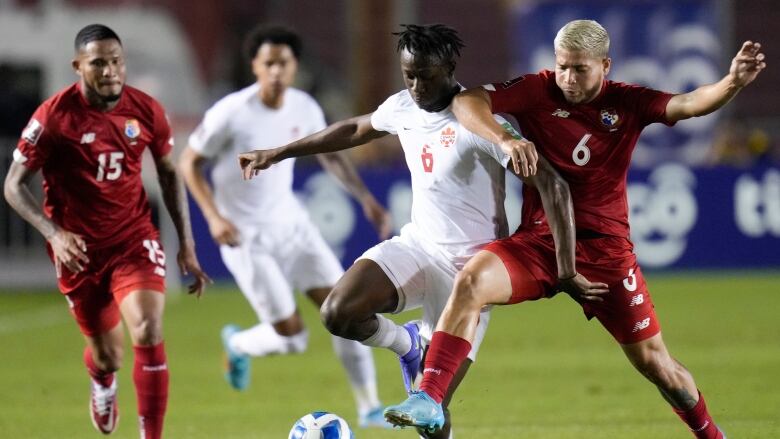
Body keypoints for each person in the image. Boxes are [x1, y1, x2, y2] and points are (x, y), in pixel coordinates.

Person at [384, 19, 766, 439]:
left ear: (605, 65)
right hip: (539, 243)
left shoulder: (628, 102)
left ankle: (712, 435)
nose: (567, 78)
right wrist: (506, 139)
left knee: (656, 364)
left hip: (605, 255)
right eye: (562, 66)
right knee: (471, 279)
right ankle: (428, 397)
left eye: (579, 69)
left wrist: (731, 83)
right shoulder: (538, 89)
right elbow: (468, 102)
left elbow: (689, 102)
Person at [239, 24, 598, 439]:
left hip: (469, 273)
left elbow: (552, 185)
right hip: (418, 246)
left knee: (431, 413)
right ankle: (407, 344)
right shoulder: (403, 108)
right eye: (408, 74)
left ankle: (424, 371)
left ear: (448, 68)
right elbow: (354, 130)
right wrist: (279, 153)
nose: (415, 86)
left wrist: (566, 269)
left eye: (425, 75)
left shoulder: (480, 123)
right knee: (338, 312)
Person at [178, 25, 394, 428]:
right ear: (255, 66)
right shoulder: (231, 112)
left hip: (294, 227)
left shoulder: (305, 107)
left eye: (284, 63)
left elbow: (330, 156)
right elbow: (188, 163)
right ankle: (239, 343)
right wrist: (213, 217)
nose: (277, 71)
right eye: (268, 63)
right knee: (292, 337)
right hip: (246, 237)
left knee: (347, 311)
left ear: (295, 66)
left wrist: (365, 198)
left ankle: (368, 407)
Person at [3, 24, 210, 439]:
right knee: (108, 355)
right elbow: (12, 185)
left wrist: (186, 244)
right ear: (78, 66)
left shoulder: (146, 109)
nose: (111, 70)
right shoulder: (54, 117)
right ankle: (102, 382)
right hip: (78, 252)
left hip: (133, 238)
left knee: (149, 329)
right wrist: (54, 233)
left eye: (116, 61)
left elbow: (169, 174)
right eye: (99, 62)